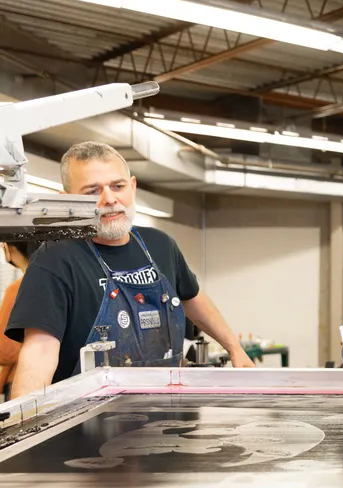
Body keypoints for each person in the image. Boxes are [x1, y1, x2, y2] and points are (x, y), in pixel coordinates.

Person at [6, 141, 254, 397]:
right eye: (93, 191)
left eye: (118, 186)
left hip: (167, 418)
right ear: (68, 199)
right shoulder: (55, 259)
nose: (110, 199)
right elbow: (40, 352)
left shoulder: (160, 245)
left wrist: (234, 348)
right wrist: (23, 424)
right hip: (91, 428)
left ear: (132, 186)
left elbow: (192, 298)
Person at [0, 240, 40, 399]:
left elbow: (5, 351)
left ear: (10, 248)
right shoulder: (58, 281)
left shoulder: (17, 288)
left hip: (21, 379)